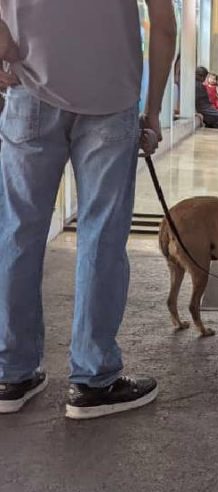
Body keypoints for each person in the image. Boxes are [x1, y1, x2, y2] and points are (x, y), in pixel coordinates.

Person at [0, 1, 176, 417]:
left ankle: (10, 373)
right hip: (111, 97)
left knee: (17, 232)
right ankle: (94, 380)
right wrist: (153, 110)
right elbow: (164, 24)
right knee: (102, 236)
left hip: (30, 86)